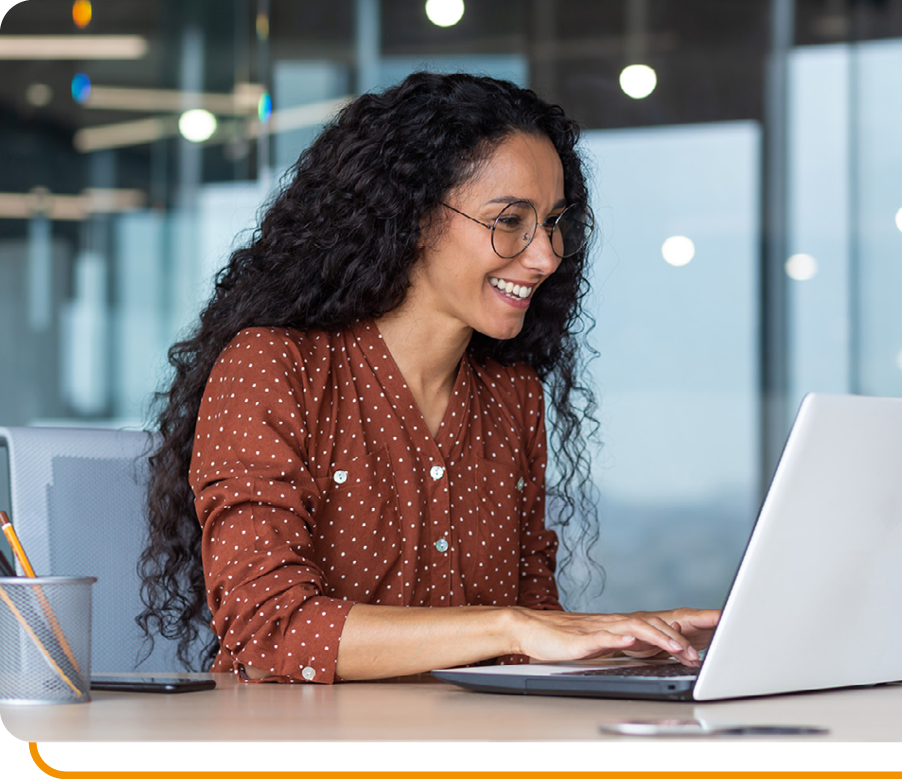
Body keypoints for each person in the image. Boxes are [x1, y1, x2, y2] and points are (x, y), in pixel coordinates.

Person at [138, 72, 719, 683]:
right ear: (412, 216)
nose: (546, 255)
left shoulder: (512, 396)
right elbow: (271, 630)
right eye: (511, 219)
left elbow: (528, 639)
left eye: (552, 222)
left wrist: (626, 644)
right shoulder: (274, 367)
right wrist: (510, 625)